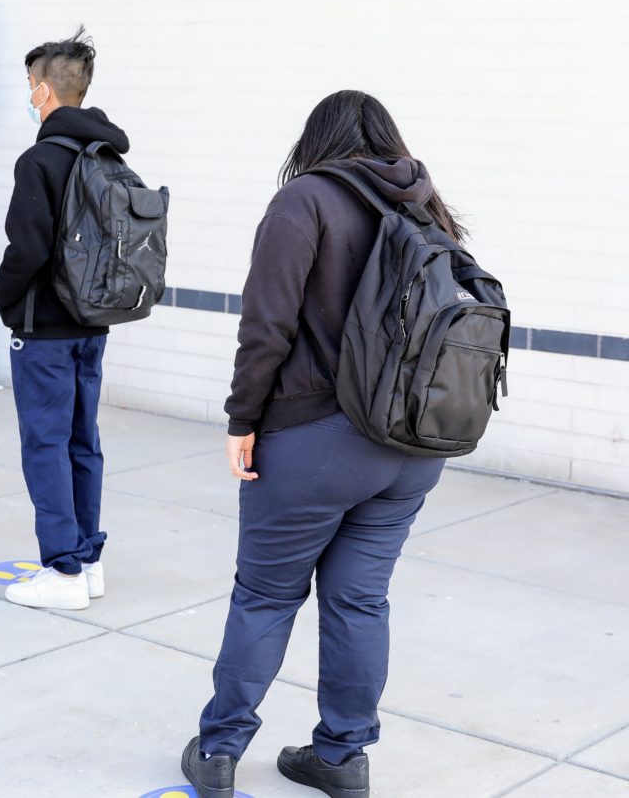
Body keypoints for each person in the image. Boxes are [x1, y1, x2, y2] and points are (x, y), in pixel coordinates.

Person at [180, 91, 464, 798]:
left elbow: (266, 327)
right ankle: (342, 757)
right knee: (360, 604)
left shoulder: (305, 201)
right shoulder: (427, 206)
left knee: (267, 597)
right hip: (413, 444)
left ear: (317, 140)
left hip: (317, 440)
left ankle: (219, 752)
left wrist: (241, 420)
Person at [0, 27, 127, 611]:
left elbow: (26, 249)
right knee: (81, 443)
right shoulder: (110, 157)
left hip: (44, 329)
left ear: (44, 91)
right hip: (91, 324)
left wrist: (4, 299)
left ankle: (62, 570)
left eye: (29, 85)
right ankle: (88, 559)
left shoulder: (39, 161)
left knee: (44, 445)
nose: (28, 94)